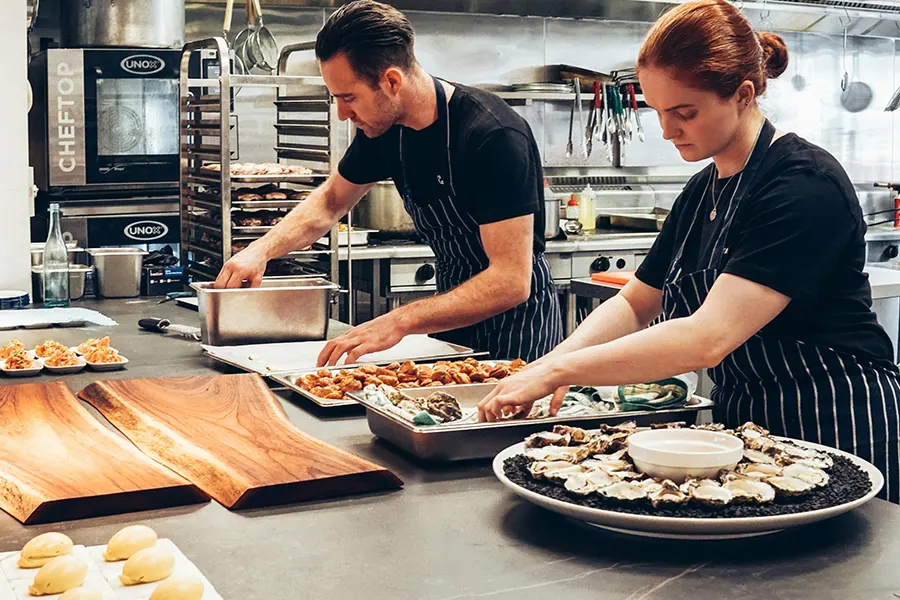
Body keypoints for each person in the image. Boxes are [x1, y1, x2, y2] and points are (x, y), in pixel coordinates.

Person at [478, 0, 900, 502]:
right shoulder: (704, 189)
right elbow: (636, 303)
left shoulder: (802, 184)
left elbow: (708, 338)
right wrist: (547, 366)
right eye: (658, 111)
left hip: (838, 416)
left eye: (684, 112)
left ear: (743, 95)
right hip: (748, 424)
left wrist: (557, 371)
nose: (667, 130)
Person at [214, 0, 562, 366]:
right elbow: (331, 201)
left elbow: (510, 280)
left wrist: (400, 320)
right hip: (450, 318)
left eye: (349, 98)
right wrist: (260, 251)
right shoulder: (385, 130)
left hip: (518, 333)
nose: (343, 114)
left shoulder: (491, 135)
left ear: (392, 81)